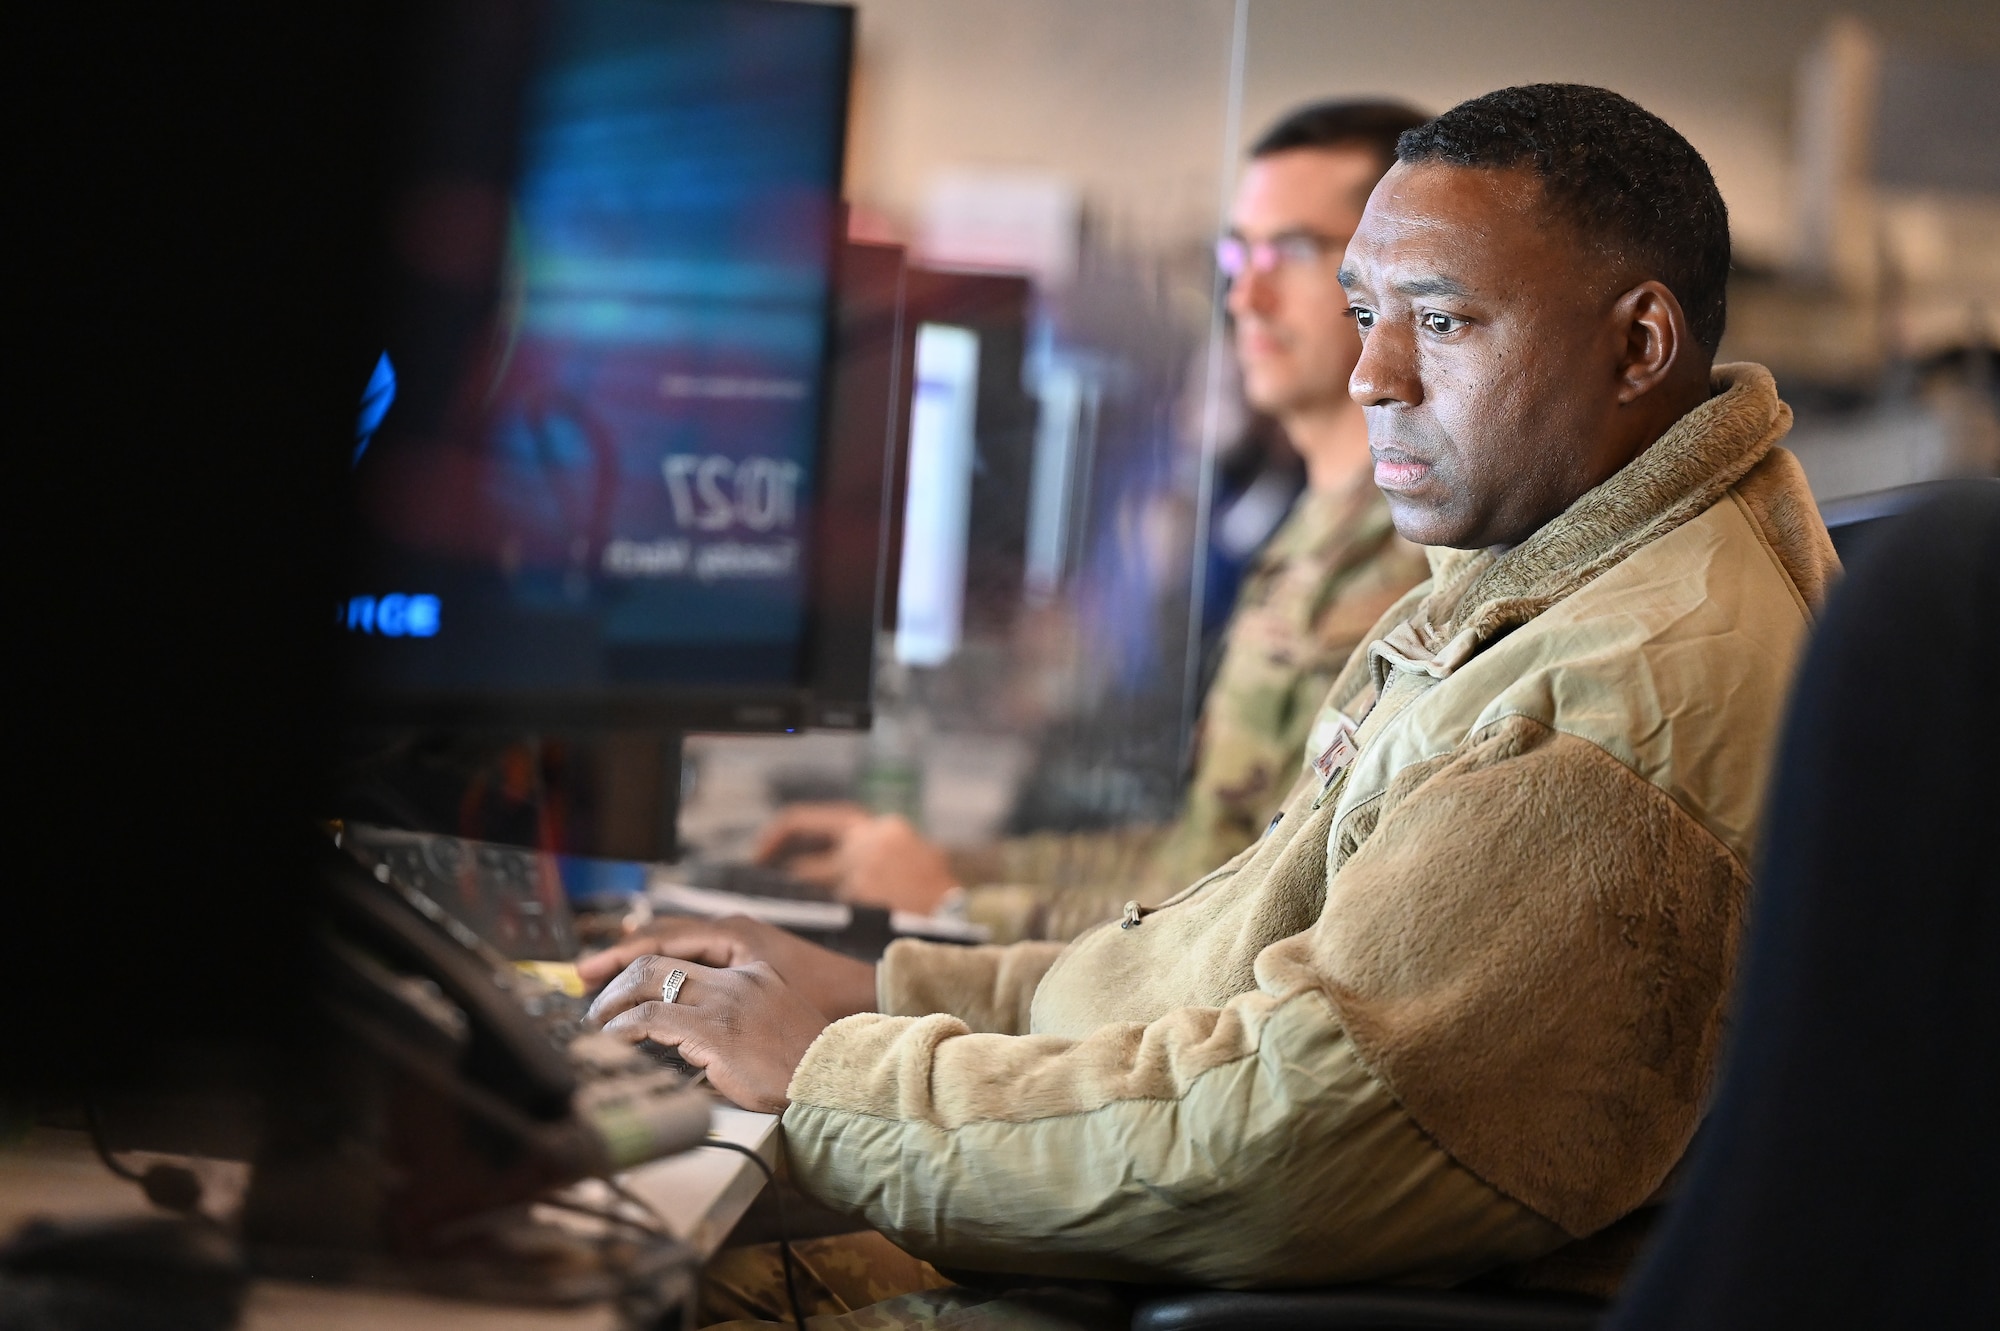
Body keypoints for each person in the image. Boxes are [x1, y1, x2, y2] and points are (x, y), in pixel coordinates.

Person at [584, 84, 1841, 1327]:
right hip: (1223, 1262)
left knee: (612, 1289)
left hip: (1285, 1285)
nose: (1371, 373)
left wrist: (832, 1073)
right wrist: (888, 992)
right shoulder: (1531, 588)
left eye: (1442, 320)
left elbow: (1297, 1140)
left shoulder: (1607, 700)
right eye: (1364, 312)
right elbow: (1232, 949)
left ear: (1637, 344)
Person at [755, 101, 1433, 940]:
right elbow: (1193, 858)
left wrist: (956, 903)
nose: (1246, 295)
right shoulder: (1305, 532)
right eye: (1237, 251)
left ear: (1395, 274)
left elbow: (1252, 921)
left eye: (1293, 251)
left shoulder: (1414, 564)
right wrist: (942, 865)